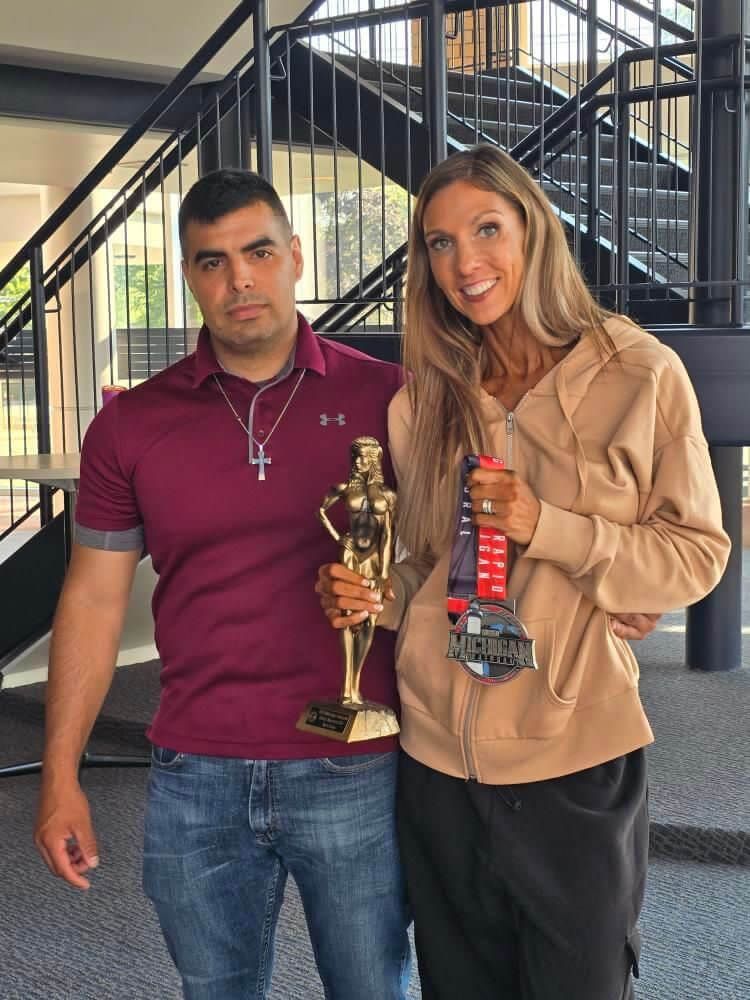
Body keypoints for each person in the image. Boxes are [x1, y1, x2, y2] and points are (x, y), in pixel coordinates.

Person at [316, 145, 731, 1000]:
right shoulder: (423, 399)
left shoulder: (639, 373)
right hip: (436, 766)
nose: (465, 263)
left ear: (534, 230)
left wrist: (553, 527)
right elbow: (431, 571)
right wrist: (371, 595)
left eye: (487, 229)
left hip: (572, 762)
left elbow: (694, 555)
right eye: (438, 243)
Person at [33, 169, 412, 1000]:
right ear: (190, 277)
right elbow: (93, 602)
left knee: (373, 988)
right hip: (194, 770)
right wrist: (60, 773)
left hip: (356, 766)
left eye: (259, 251)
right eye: (212, 261)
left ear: (296, 258)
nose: (240, 278)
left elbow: (454, 561)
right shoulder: (131, 425)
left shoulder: (391, 399)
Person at [318, 436, 397, 704]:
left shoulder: (387, 495)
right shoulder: (344, 489)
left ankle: (356, 681)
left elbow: (387, 535)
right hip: (351, 552)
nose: (361, 462)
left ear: (375, 460)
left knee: (369, 619)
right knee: (348, 614)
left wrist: (385, 574)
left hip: (374, 557)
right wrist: (338, 537)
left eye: (366, 457)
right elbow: (321, 510)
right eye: (357, 457)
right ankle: (346, 689)